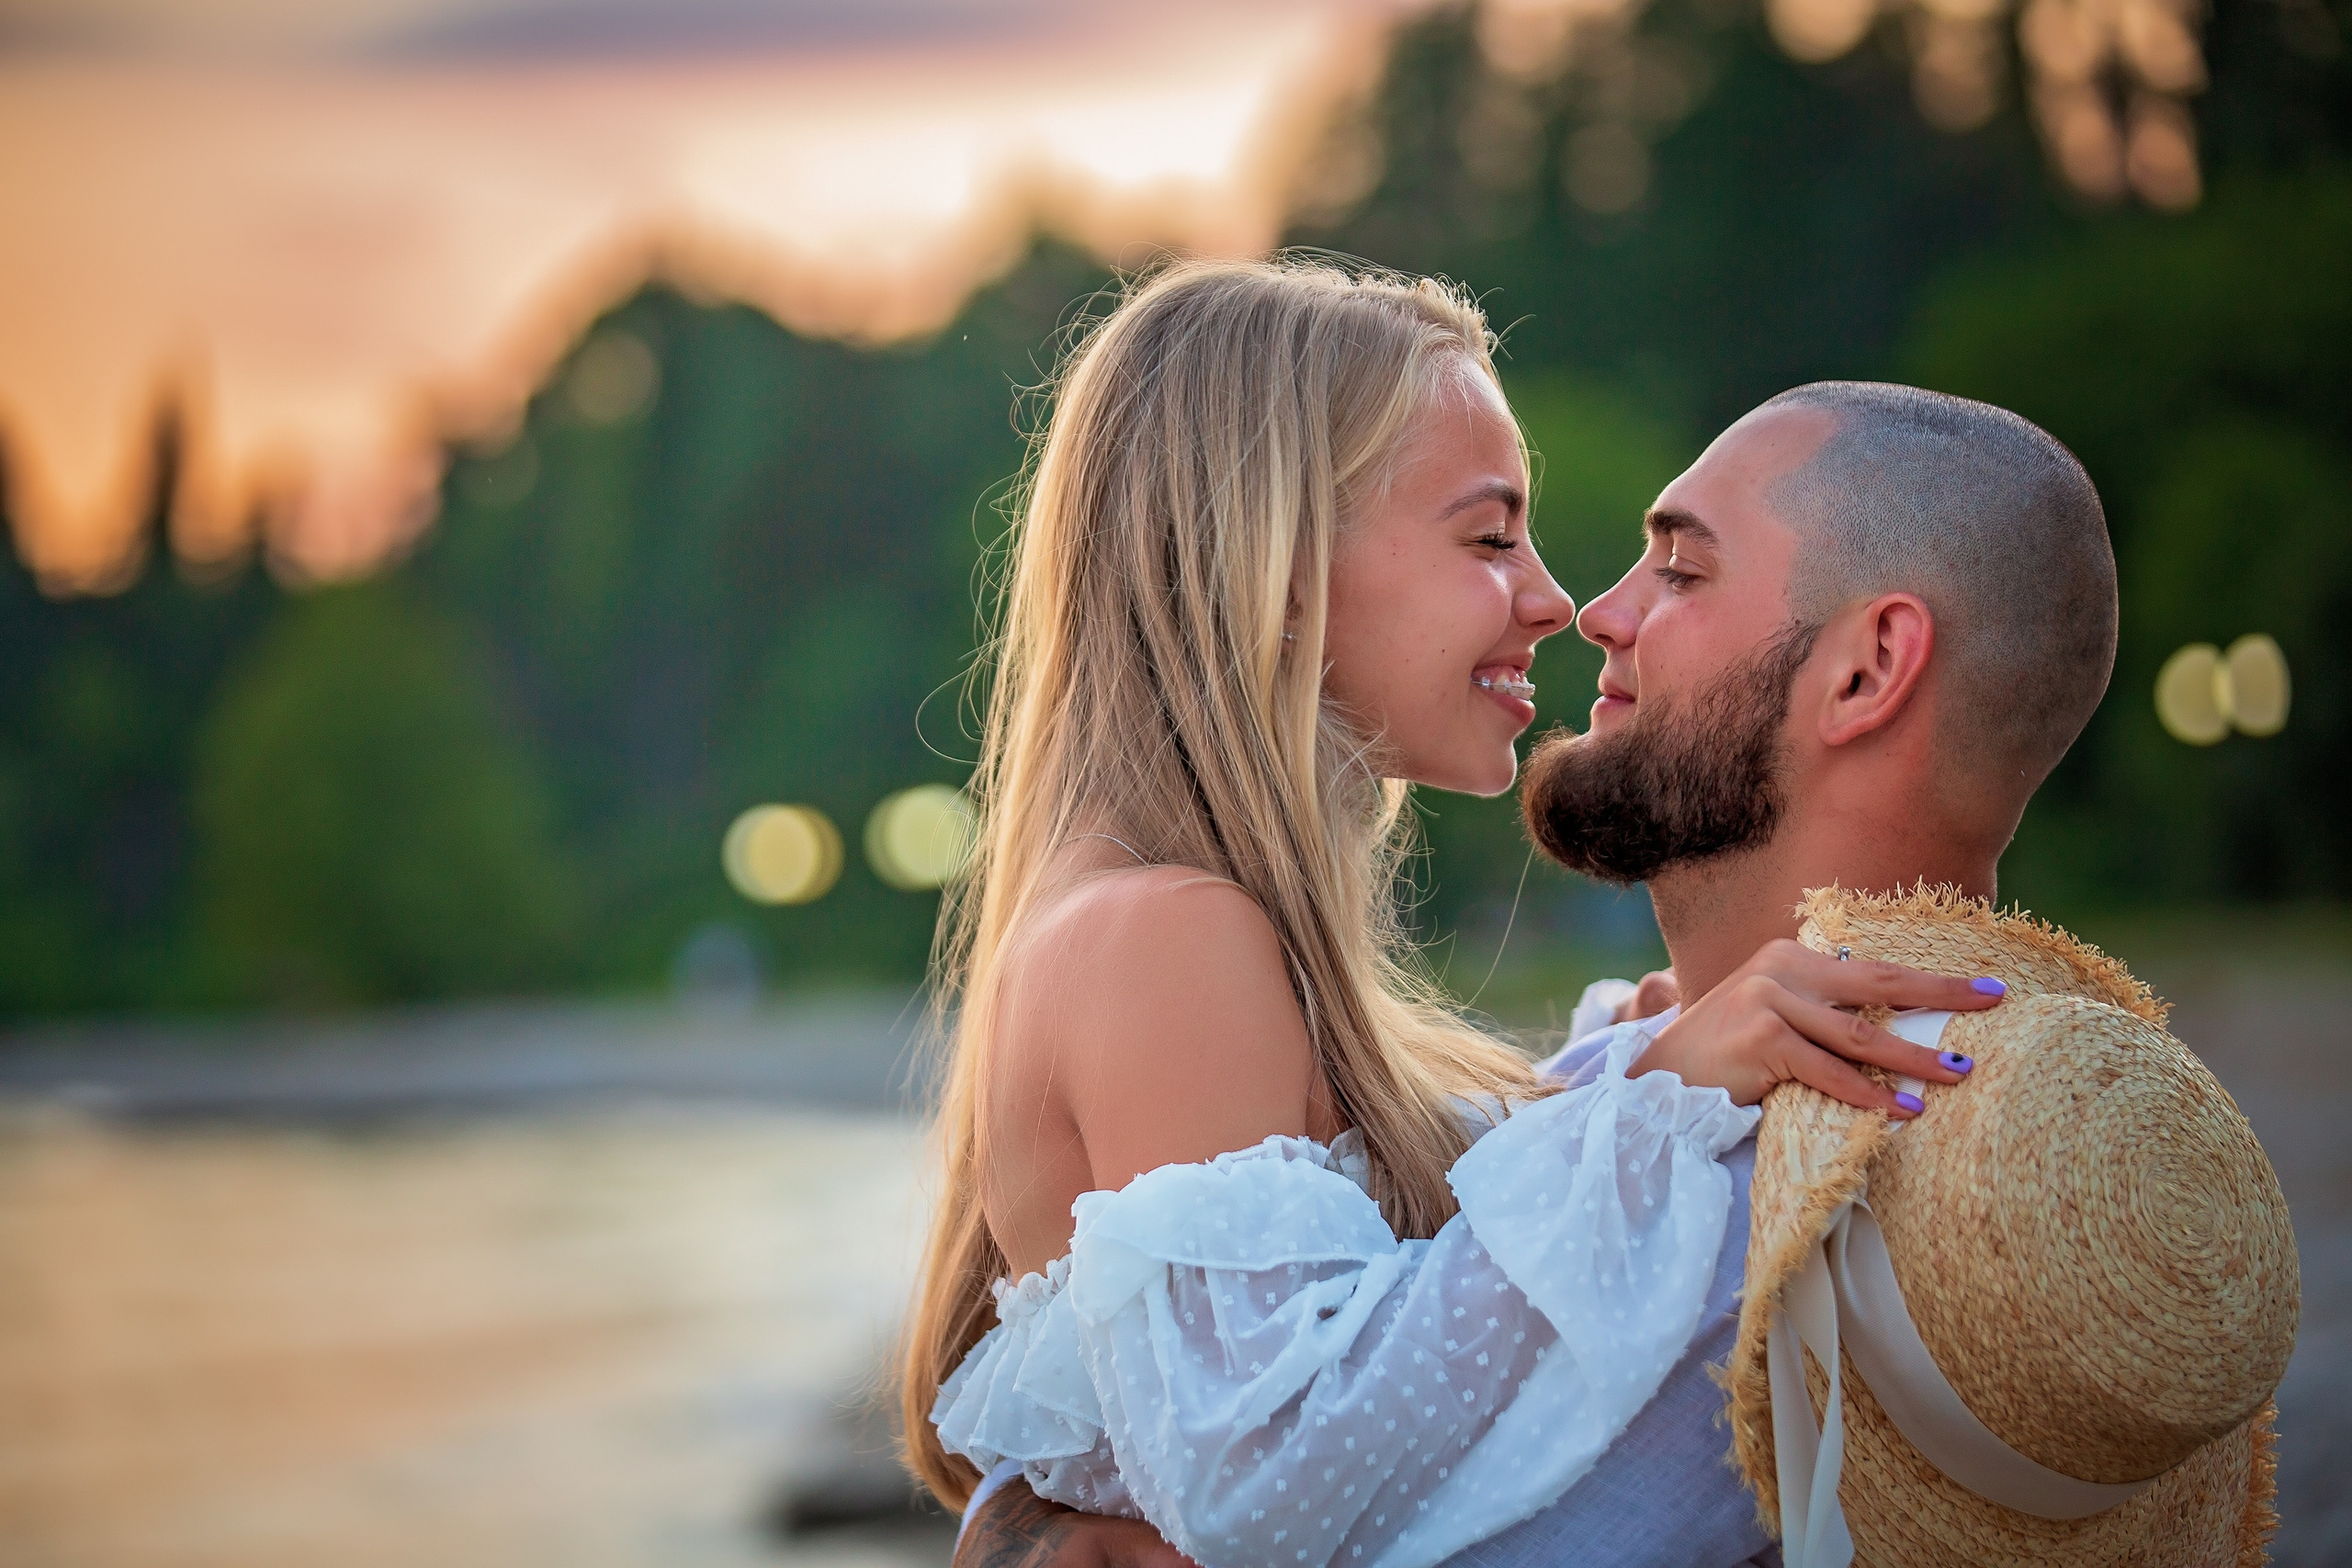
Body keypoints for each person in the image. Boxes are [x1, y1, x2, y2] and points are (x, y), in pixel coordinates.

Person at [903, 259, 1993, 1568]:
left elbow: (1367, 1330)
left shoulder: (1169, 926)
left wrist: (1604, 1077)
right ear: (1278, 561)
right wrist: (1647, 1104)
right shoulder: (1167, 936)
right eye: (1488, 538)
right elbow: (1269, 1477)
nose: (1556, 600)